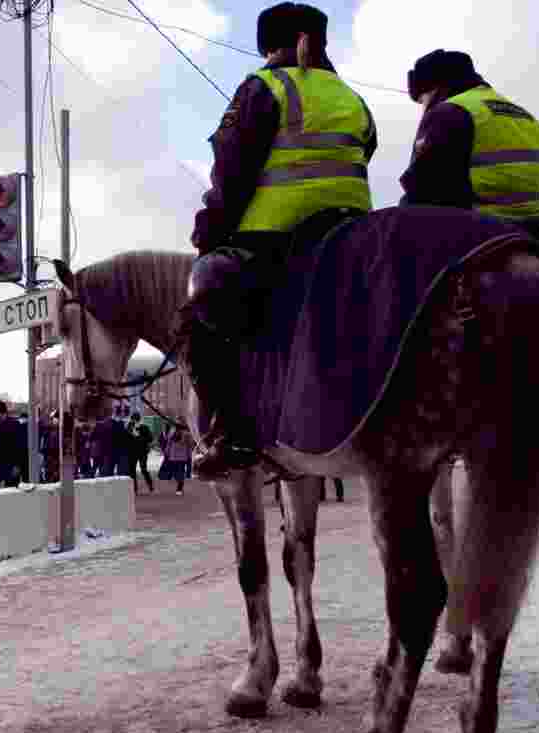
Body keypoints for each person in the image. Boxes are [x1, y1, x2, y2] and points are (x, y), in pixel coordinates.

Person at [183, 2, 377, 474]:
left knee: (198, 312)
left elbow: (232, 174)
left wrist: (208, 233)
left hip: (275, 239)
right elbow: (366, 149)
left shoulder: (264, 86)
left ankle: (232, 434)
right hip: (352, 234)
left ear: (268, 45)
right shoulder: (352, 97)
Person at [401, 49, 539, 241]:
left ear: (435, 88)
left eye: (422, 99)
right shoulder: (527, 117)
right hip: (531, 234)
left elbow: (423, 186)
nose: (423, 107)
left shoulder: (451, 111)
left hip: (475, 233)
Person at [0, 400, 23, 488]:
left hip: (10, 465)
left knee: (11, 493)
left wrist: (17, 465)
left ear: (1, 413)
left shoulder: (14, 425)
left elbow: (19, 446)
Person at [127, 413, 155, 495]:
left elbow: (150, 438)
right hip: (132, 452)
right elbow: (126, 439)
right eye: (133, 420)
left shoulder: (144, 427)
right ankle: (134, 489)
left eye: (134, 420)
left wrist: (139, 436)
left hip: (142, 452)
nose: (133, 421)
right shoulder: (129, 428)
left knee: (143, 469)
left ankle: (150, 486)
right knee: (132, 471)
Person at [163, 426, 193, 496]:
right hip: (179, 456)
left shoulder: (184, 434)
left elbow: (169, 443)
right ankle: (179, 486)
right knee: (179, 472)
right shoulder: (175, 433)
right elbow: (169, 442)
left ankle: (179, 488)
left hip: (177, 456)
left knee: (179, 472)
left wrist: (167, 451)